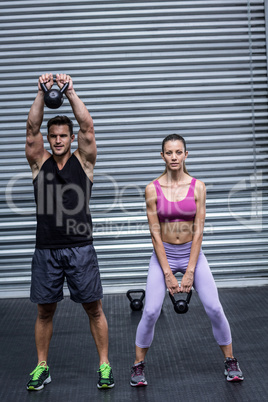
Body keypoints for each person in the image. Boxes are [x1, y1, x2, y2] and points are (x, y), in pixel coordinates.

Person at [130, 134, 244, 386]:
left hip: (192, 253)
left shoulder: (198, 187)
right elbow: (155, 234)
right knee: (149, 311)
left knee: (214, 308)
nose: (174, 157)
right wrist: (168, 273)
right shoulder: (152, 188)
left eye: (178, 152)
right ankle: (138, 366)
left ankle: (230, 361)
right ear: (162, 156)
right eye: (169, 153)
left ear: (186, 155)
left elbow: (199, 230)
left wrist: (190, 270)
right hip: (164, 255)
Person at [25, 73, 114, 391]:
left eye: (64, 135)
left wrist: (71, 92)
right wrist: (40, 93)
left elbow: (88, 126)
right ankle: (42, 367)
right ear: (49, 139)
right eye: (54, 136)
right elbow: (31, 129)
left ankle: (104, 365)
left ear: (71, 138)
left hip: (80, 248)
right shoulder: (39, 163)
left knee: (94, 307)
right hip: (47, 248)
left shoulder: (84, 162)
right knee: (45, 310)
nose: (58, 140)